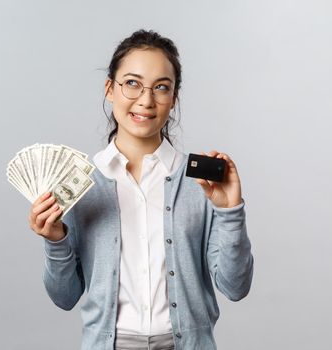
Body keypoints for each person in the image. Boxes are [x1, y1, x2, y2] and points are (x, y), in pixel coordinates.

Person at [28, 29, 254, 350]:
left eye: (161, 87)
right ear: (110, 88)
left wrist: (230, 211)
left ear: (173, 99)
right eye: (132, 83)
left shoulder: (201, 181)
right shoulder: (79, 184)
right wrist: (55, 241)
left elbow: (235, 287)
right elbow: (64, 297)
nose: (146, 101)